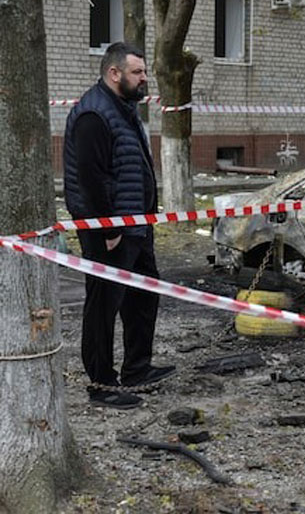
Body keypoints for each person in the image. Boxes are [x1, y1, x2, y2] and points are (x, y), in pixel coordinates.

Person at [63, 42, 175, 410]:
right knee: (103, 305)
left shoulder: (123, 109)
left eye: (144, 72)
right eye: (137, 73)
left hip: (135, 227)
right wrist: (109, 229)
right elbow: (91, 180)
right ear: (114, 73)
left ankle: (137, 368)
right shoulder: (93, 114)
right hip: (109, 231)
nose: (144, 79)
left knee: (144, 295)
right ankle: (101, 383)